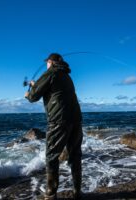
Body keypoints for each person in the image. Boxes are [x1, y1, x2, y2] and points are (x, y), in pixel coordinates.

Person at [25, 53, 83, 200]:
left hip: (59, 121)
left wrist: (28, 92)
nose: (46, 65)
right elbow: (50, 88)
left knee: (51, 157)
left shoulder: (51, 72)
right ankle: (78, 192)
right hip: (76, 120)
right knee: (75, 156)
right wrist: (35, 84)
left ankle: (50, 195)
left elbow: (33, 97)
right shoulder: (66, 76)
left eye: (47, 63)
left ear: (50, 62)